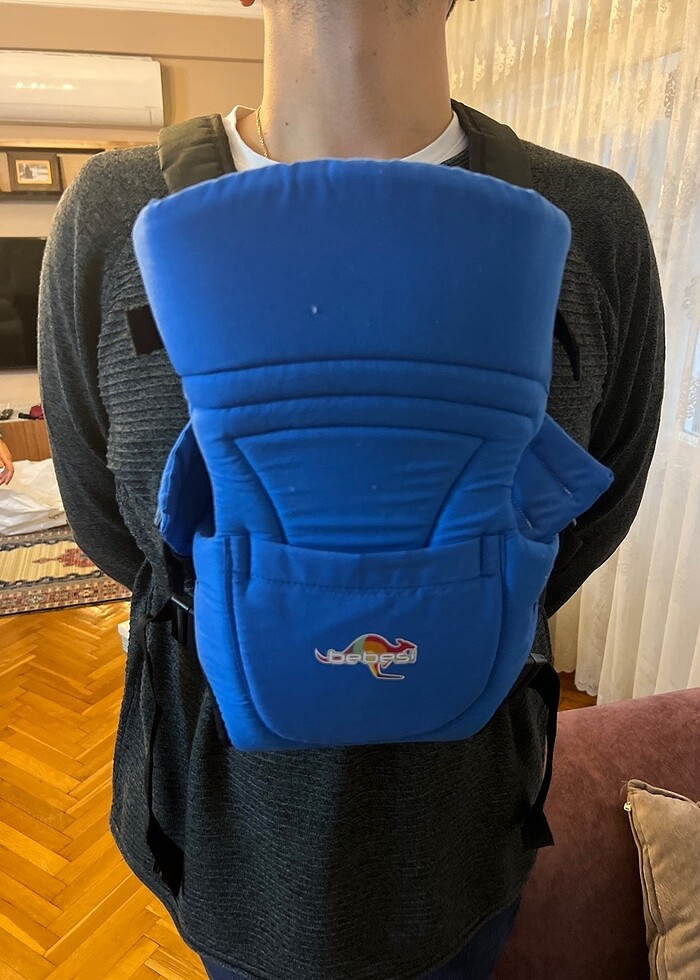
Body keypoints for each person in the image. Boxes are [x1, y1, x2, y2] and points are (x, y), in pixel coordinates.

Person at [38, 1, 665, 977]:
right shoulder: (117, 212)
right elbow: (118, 532)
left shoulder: (586, 220)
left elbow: (591, 510)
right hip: (224, 849)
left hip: (466, 842)